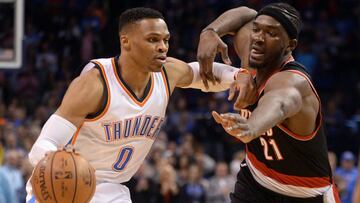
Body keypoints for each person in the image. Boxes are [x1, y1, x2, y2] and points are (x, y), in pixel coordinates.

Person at [26, 7, 256, 203]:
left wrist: (239, 75)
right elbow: (43, 144)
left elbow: (201, 74)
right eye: (153, 39)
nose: (162, 47)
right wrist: (61, 166)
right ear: (125, 41)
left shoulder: (167, 72)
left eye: (166, 40)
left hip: (112, 189)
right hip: (64, 186)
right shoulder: (95, 84)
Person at [197, 3, 340, 203]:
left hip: (304, 194)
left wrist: (251, 126)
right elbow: (246, 14)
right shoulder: (254, 52)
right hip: (255, 180)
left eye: (271, 33)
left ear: (290, 45)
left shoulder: (293, 81)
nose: (258, 38)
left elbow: (280, 103)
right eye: (257, 30)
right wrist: (210, 31)